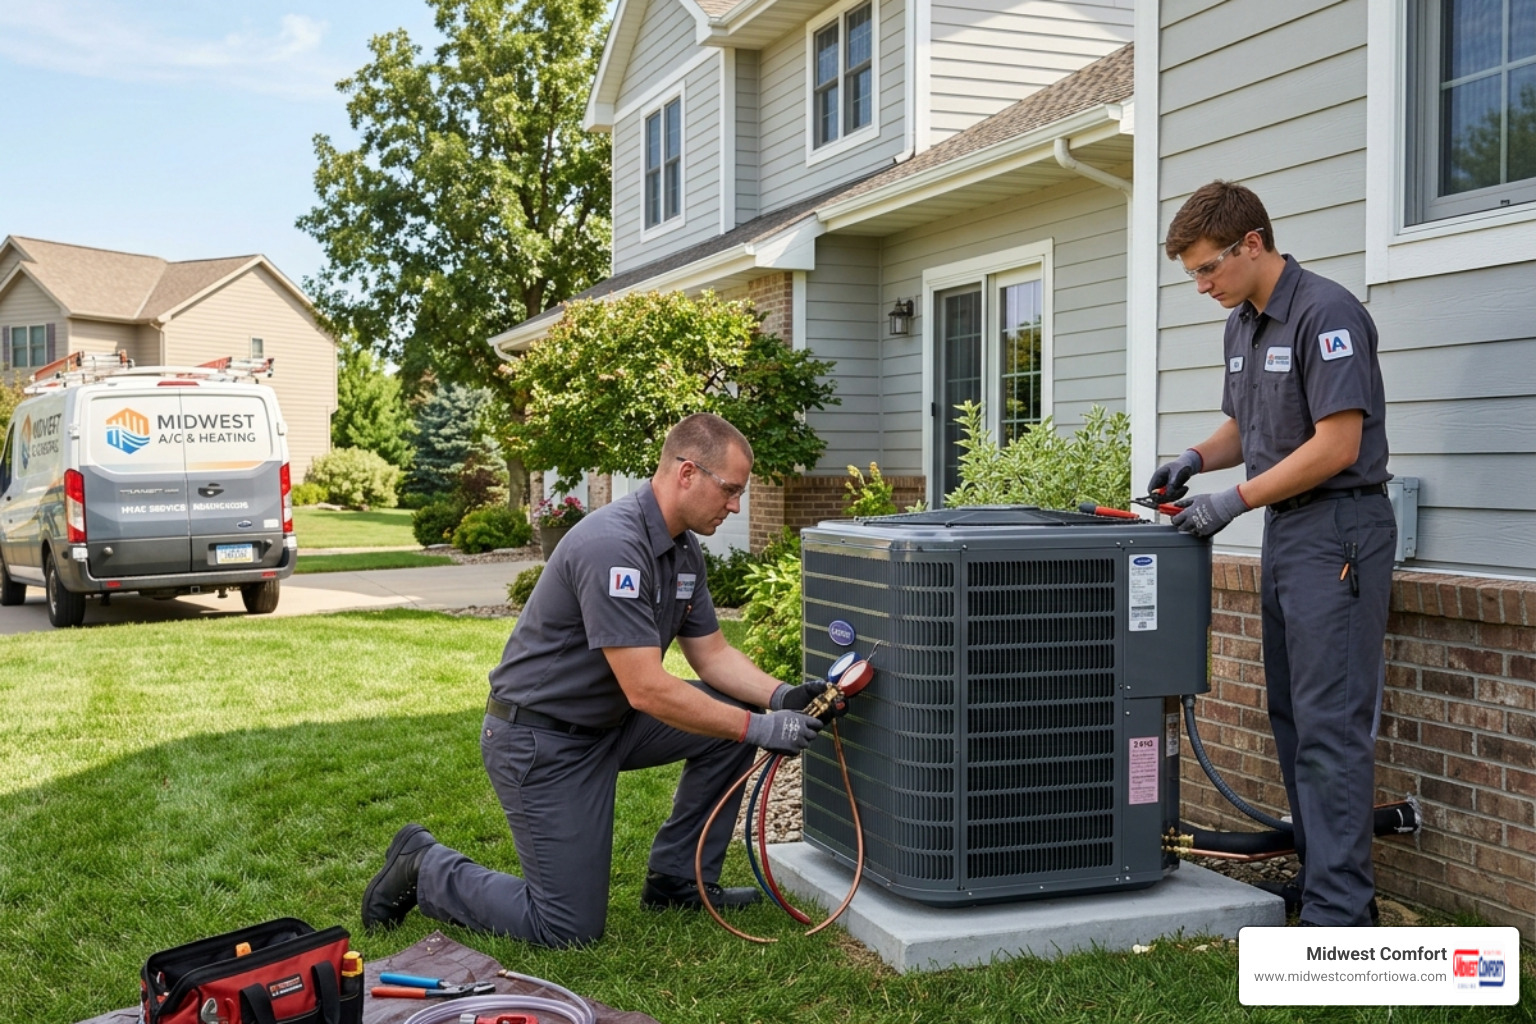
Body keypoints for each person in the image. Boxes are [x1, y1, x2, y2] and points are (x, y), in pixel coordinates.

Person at [362, 413, 835, 947]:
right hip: (542, 741)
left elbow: (713, 654)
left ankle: (678, 882)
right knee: (565, 927)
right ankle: (425, 866)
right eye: (729, 490)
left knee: (727, 724)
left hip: (612, 726)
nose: (735, 505)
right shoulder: (614, 545)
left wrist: (781, 696)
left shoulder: (682, 551)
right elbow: (647, 688)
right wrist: (760, 728)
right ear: (686, 473)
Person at [1153, 181, 1395, 927]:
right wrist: (1194, 458)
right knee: (1292, 717)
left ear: (1251, 243)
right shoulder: (1245, 324)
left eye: (1207, 269)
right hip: (1288, 535)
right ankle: (1326, 885)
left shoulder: (1327, 313)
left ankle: (1343, 916)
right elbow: (1244, 426)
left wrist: (1234, 501)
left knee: (1331, 726)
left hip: (1340, 533)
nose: (1201, 287)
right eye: (1192, 273)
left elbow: (1337, 444)